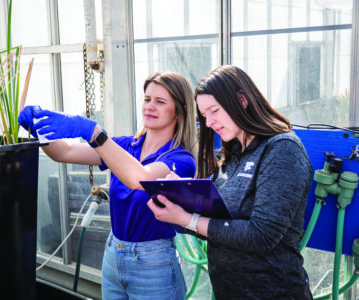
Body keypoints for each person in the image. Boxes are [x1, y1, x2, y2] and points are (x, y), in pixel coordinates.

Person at [18, 71, 197, 300]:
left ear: (179, 111)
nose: (150, 106)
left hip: (153, 263)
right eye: (147, 99)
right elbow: (65, 152)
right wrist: (39, 130)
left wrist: (95, 133)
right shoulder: (124, 146)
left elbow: (139, 178)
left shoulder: (180, 160)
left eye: (160, 102)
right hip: (113, 253)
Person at [147, 65, 313, 299]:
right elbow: (219, 225)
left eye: (214, 111)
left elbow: (261, 236)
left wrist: (187, 219)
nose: (209, 122)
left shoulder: (282, 149)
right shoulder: (232, 154)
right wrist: (182, 193)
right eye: (204, 116)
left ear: (242, 100)